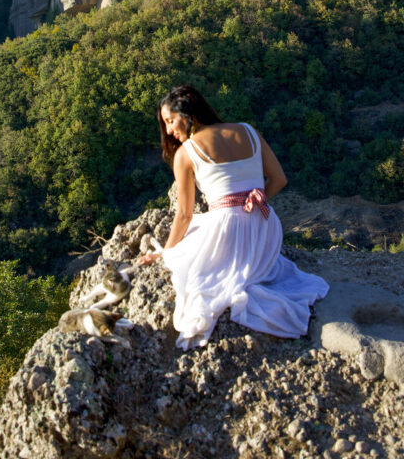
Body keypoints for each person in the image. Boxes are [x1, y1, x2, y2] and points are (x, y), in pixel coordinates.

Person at [137, 85, 329, 350]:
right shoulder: (249, 131)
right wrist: (250, 204)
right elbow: (279, 180)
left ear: (187, 114)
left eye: (170, 121)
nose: (169, 130)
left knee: (189, 263)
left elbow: (184, 214)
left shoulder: (187, 153)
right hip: (265, 227)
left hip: (227, 231)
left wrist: (167, 254)